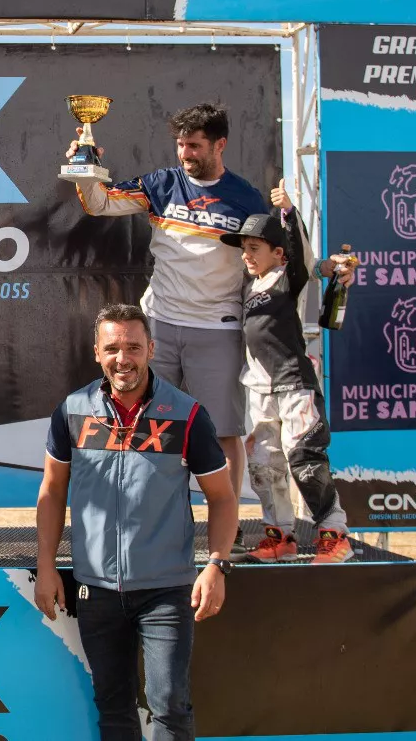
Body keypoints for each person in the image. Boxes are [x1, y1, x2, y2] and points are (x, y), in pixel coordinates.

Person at [69, 104, 267, 556]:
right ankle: (146, 526)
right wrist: (86, 169)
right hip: (158, 323)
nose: (185, 153)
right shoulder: (160, 184)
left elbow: (272, 256)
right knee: (147, 425)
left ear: (220, 145)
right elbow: (100, 203)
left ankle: (228, 527)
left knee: (221, 432)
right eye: (181, 144)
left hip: (217, 325)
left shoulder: (246, 198)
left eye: (195, 145)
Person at [35, 303, 237, 741]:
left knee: (169, 708)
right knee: (114, 708)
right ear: (96, 353)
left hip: (166, 592)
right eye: (112, 348)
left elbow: (223, 498)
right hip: (96, 590)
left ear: (151, 348)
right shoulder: (72, 410)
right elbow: (51, 492)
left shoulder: (187, 415)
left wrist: (217, 564)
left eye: (132, 347)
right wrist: (46, 566)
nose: (122, 358)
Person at [220, 180, 356, 564]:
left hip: (294, 382)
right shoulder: (248, 285)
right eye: (244, 249)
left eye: (255, 248)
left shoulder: (287, 277)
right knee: (264, 467)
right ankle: (280, 537)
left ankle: (335, 536)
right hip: (260, 388)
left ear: (277, 253)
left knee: (305, 459)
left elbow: (302, 256)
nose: (247, 255)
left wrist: (289, 211)